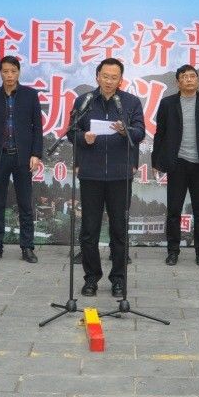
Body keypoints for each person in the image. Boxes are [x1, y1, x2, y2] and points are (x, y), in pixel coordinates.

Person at [75, 57, 145, 297]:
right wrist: (83, 137)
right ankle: (91, 278)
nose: (109, 81)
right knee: (89, 230)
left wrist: (126, 130)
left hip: (119, 175)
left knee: (119, 230)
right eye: (105, 76)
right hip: (91, 175)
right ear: (97, 76)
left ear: (120, 80)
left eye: (114, 77)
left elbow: (140, 132)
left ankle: (118, 280)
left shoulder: (130, 102)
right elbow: (72, 132)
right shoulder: (84, 101)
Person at [152, 64, 199, 266]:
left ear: (198, 80)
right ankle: (173, 251)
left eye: (192, 76)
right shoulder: (167, 103)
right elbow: (160, 134)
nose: (189, 79)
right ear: (178, 82)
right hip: (177, 164)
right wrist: (156, 162)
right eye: (184, 76)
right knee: (174, 210)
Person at [0, 55, 42, 263]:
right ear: (0, 73)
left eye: (13, 71)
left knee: (25, 205)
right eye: (5, 71)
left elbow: (37, 128)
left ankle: (27, 247)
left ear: (19, 72)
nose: (9, 75)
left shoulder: (30, 95)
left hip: (23, 158)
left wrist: (36, 154)